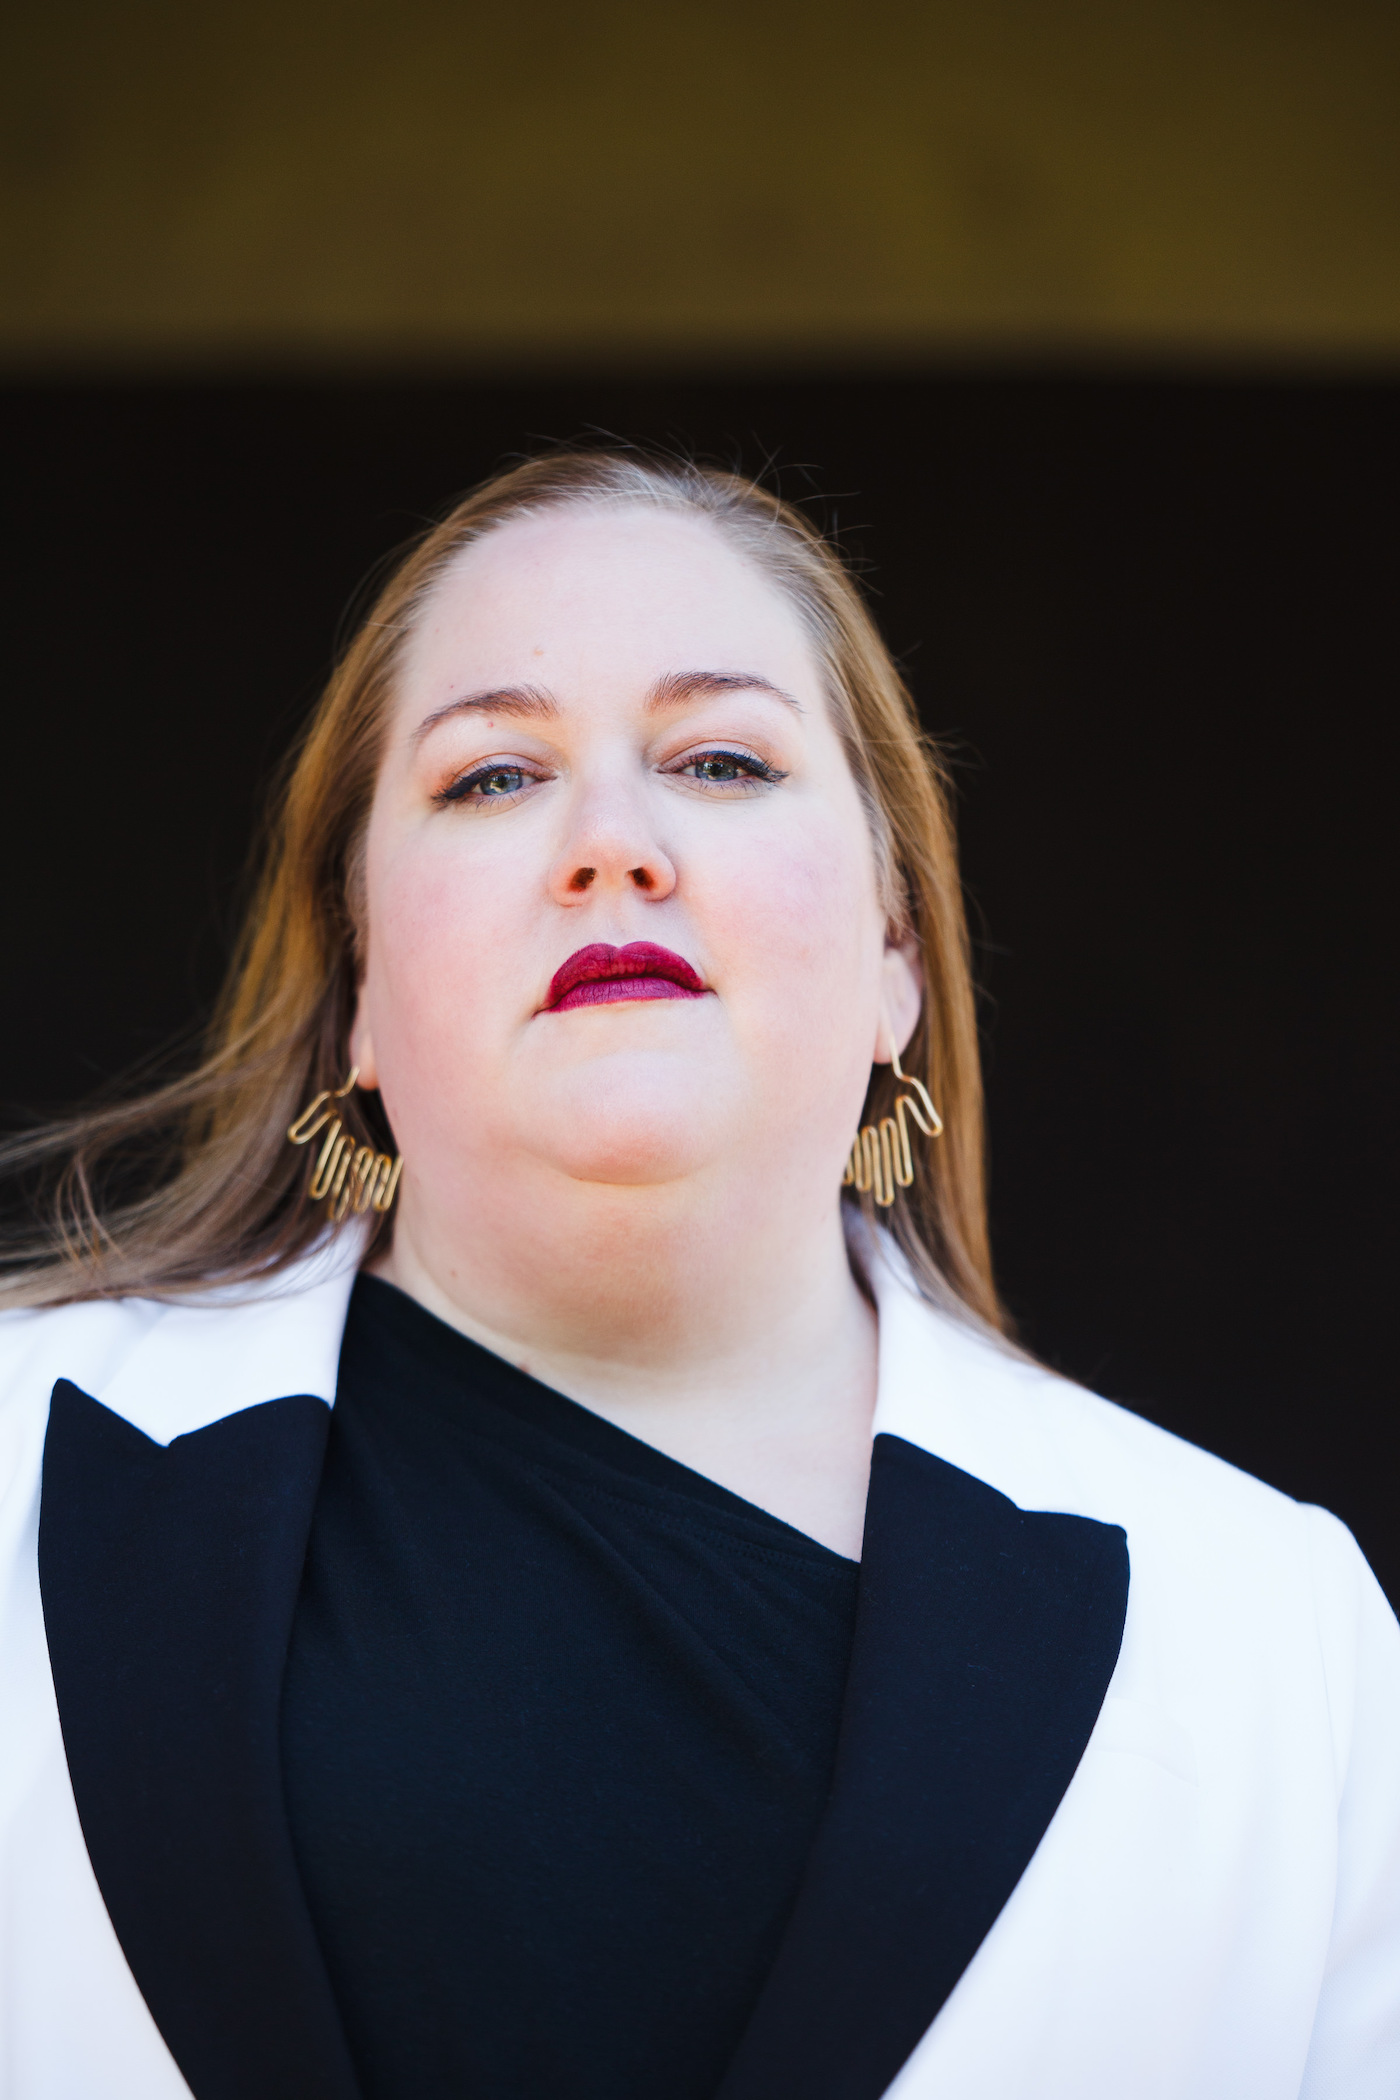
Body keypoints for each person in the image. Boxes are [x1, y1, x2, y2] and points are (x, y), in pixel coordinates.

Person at [1, 449, 1396, 2100]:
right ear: (360, 993)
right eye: (493, 777)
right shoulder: (16, 1457)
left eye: (722, 758)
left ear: (897, 959)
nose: (611, 840)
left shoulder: (1275, 1647)